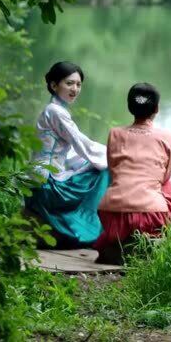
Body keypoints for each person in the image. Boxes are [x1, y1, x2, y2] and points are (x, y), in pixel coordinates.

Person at [93, 83, 171, 264]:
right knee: (167, 186)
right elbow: (164, 178)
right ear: (157, 109)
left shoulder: (114, 133)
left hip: (111, 212)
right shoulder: (167, 137)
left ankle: (119, 245)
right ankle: (156, 243)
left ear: (130, 107)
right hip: (151, 215)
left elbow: (114, 171)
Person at [25, 61, 109, 248]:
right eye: (69, 83)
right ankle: (91, 228)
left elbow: (72, 149)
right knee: (104, 170)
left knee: (95, 162)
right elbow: (82, 144)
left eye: (78, 84)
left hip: (42, 174)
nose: (75, 89)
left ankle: (85, 224)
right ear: (54, 85)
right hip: (46, 182)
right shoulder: (55, 112)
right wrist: (115, 154)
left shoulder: (54, 109)